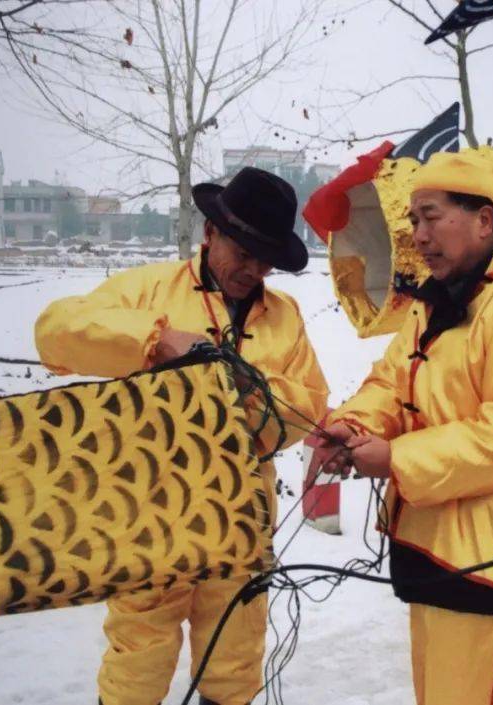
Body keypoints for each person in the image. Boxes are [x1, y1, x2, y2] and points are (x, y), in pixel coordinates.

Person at [35, 167, 330, 705]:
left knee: (234, 657)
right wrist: (155, 340)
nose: (254, 269)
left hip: (242, 516)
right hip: (152, 511)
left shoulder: (284, 316)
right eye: (243, 252)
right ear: (209, 233)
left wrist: (246, 394)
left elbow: (309, 402)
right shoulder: (148, 290)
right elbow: (54, 332)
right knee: (139, 656)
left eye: (265, 258)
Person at [312, 152, 493, 705]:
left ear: (485, 220)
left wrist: (395, 459)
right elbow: (390, 384)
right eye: (413, 221)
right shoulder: (436, 303)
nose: (418, 236)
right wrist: (352, 425)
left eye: (430, 216)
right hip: (431, 540)